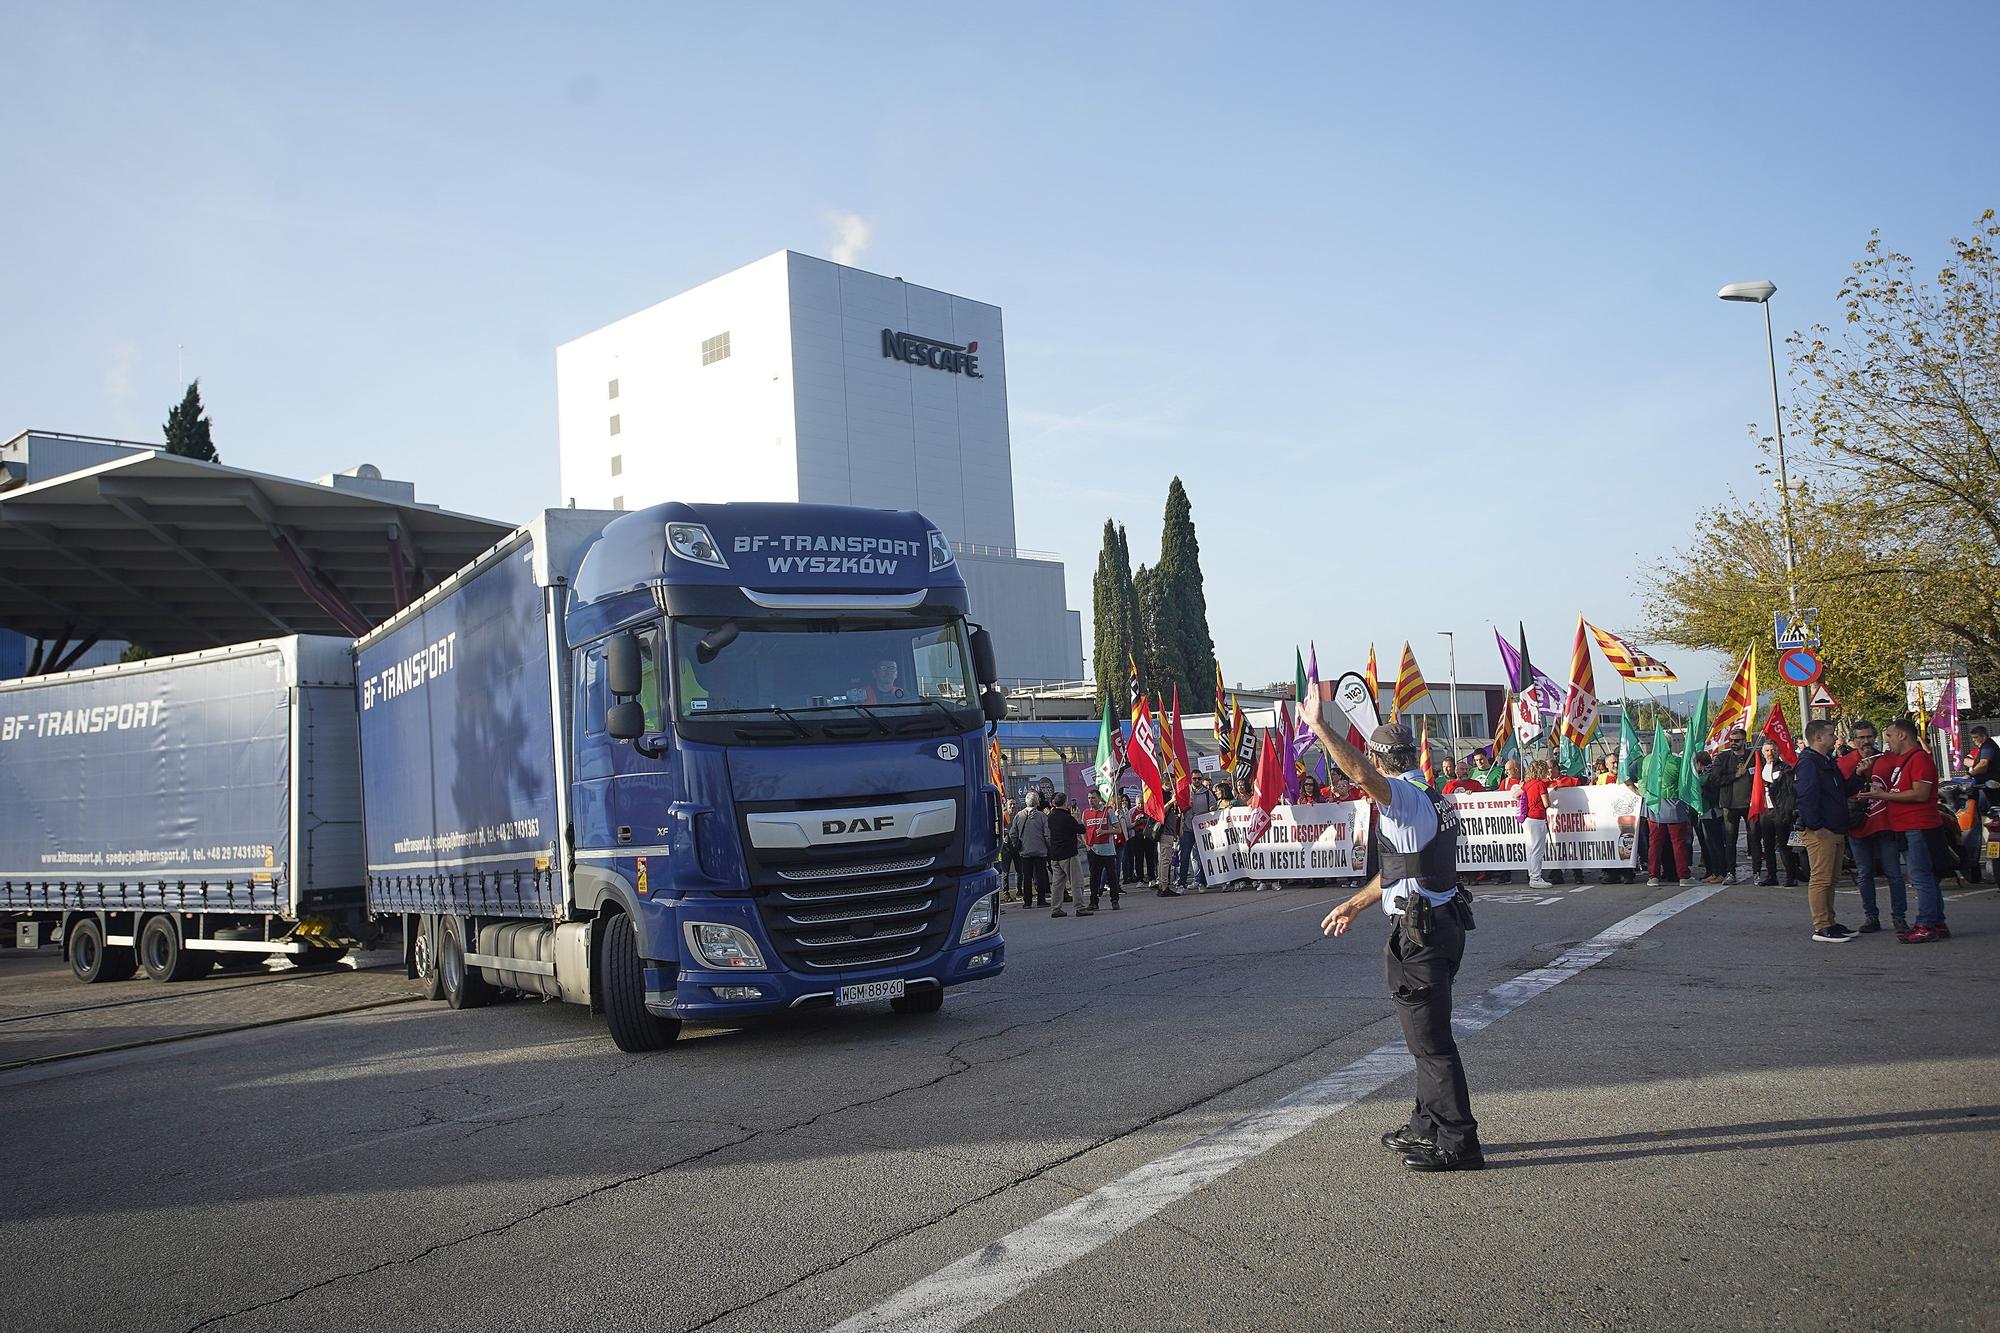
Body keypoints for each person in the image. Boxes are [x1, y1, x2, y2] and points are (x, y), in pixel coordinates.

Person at [1304, 714, 1482, 1172]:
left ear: (1383, 762)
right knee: (1425, 1036)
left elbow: (1360, 774)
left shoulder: (1399, 795)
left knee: (1430, 1043)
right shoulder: (1429, 794)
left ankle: (1458, 1142)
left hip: (1422, 932)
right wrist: (1356, 904)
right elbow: (1404, 867)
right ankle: (1426, 1126)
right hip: (1442, 924)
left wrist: (1321, 728)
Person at [1878, 718, 1949, 943]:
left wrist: (1884, 796)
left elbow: (1920, 793)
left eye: (1889, 735)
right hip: (1907, 826)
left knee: (1921, 877)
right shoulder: (1903, 760)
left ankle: (1926, 924)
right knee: (1924, 876)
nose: (1887, 741)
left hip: (1918, 826)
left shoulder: (1919, 759)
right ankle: (1936, 922)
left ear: (1902, 735)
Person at [1794, 718, 1860, 942]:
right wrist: (1816, 826)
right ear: (1818, 737)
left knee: (1832, 878)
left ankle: (1830, 920)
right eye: (1831, 734)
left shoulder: (1827, 761)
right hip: (1822, 830)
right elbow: (1806, 796)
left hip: (1835, 827)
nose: (1835, 738)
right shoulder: (1809, 763)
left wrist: (1860, 775)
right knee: (1821, 878)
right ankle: (1821, 925)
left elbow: (1841, 790)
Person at [1838, 720, 1903, 932]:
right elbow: (1841, 793)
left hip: (1884, 823)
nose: (1866, 741)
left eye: (1869, 737)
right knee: (1865, 873)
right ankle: (1871, 917)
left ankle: (1899, 916)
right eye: (1861, 738)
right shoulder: (1845, 763)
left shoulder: (1887, 759)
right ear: (1853, 740)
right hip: (1858, 825)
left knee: (1893, 872)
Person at [1750, 739, 1802, 887]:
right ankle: (1771, 875)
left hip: (1780, 811)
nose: (1770, 753)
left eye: (1773, 750)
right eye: (1767, 750)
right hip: (1765, 811)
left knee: (1784, 845)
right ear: (1763, 752)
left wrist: (1770, 785)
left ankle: (1791, 876)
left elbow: (1787, 788)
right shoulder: (1760, 768)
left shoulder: (1785, 768)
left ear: (1778, 752)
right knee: (1768, 845)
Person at [1643, 747, 1696, 888]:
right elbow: (1685, 783)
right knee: (1679, 844)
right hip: (1674, 805)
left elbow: (1642, 782)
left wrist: (1645, 796)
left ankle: (1653, 876)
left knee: (1654, 844)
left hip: (1654, 805)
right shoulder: (1676, 761)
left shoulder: (1647, 760)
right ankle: (1683, 876)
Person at [1709, 728, 1755, 882]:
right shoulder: (1723, 758)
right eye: (1732, 740)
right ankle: (1730, 872)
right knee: (1730, 841)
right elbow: (1715, 780)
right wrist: (1734, 776)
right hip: (1730, 805)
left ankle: (1757, 871)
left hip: (1750, 805)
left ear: (1744, 741)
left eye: (1737, 740)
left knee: (1754, 838)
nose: (1734, 743)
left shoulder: (1753, 756)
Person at [1081, 791, 1121, 914]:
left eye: (1093, 798)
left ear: (1099, 799)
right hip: (1093, 849)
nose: (1090, 800)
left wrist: (1105, 832)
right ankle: (1093, 902)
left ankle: (1114, 900)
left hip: (1107, 849)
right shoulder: (1086, 813)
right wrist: (1086, 844)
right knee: (1094, 877)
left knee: (1112, 876)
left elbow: (1118, 829)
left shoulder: (1108, 811)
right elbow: (1083, 830)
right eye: (1089, 798)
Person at [1044, 793, 1083, 917]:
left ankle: (1055, 908)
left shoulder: (1050, 817)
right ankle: (1080, 907)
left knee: (1057, 884)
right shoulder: (1067, 818)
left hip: (1055, 854)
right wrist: (1077, 818)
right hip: (1069, 853)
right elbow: (1081, 829)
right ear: (1065, 803)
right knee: (1076, 882)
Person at [1009, 794, 1050, 909]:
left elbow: (1012, 833)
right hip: (1040, 851)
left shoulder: (1019, 815)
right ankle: (1041, 900)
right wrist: (1048, 846)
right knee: (1040, 876)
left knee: (1027, 877)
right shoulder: (1042, 816)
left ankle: (1027, 902)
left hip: (1025, 851)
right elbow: (1047, 834)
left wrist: (1016, 843)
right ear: (1037, 802)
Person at [1521, 758, 1554, 889]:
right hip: (1538, 819)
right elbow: (1546, 803)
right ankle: (1536, 878)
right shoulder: (1540, 784)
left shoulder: (1528, 784)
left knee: (1531, 849)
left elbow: (1516, 794)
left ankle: (1532, 876)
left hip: (1528, 819)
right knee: (1537, 850)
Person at [1180, 774, 1215, 893]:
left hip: (1202, 830)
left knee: (1202, 857)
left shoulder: (1207, 792)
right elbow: (1179, 808)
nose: (1197, 781)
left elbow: (1213, 806)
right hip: (1188, 829)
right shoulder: (1185, 791)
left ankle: (1202, 882)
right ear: (1191, 779)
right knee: (1185, 857)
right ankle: (1181, 884)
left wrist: (1209, 810)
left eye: (1199, 778)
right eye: (1194, 778)